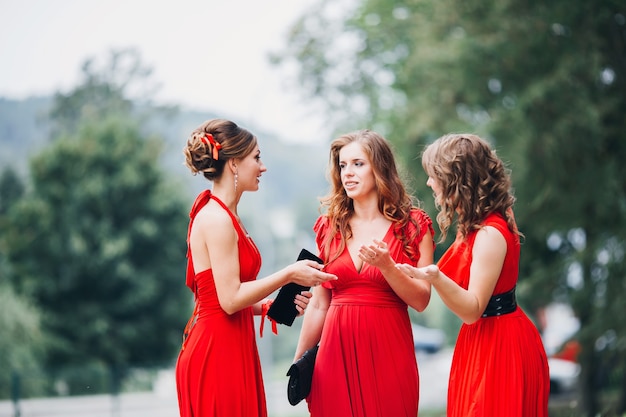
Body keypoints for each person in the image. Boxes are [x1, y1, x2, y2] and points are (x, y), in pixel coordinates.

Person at [175, 118, 337, 417]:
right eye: (257, 158)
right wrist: (289, 273)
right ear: (234, 163)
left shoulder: (228, 215)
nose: (263, 167)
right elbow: (229, 299)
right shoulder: (217, 219)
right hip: (216, 350)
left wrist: (267, 307)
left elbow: (219, 297)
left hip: (232, 340)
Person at [396, 133, 550, 416]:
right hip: (484, 339)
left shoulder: (490, 233)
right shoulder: (481, 221)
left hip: (500, 345)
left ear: (455, 178)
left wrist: (435, 278)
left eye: (433, 175)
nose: (429, 182)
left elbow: (472, 310)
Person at [294, 129, 435, 417]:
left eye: (358, 164)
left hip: (390, 353)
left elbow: (421, 300)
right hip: (333, 355)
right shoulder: (328, 226)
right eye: (343, 165)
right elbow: (320, 304)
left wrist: (387, 267)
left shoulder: (414, 225)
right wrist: (299, 363)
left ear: (379, 167)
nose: (348, 173)